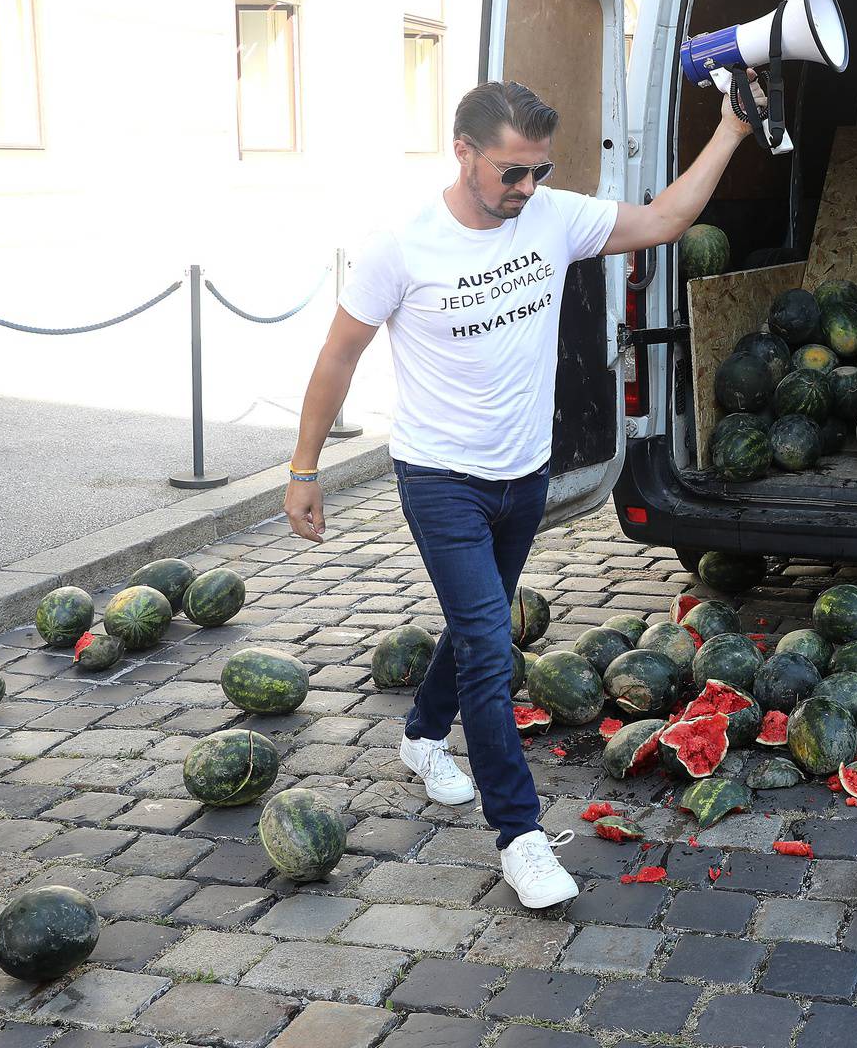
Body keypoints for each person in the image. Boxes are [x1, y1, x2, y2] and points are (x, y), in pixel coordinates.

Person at [282, 78, 762, 909]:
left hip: (524, 473)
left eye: (539, 171)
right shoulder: (402, 248)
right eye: (512, 171)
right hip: (440, 479)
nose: (527, 188)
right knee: (486, 646)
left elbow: (663, 221)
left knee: (481, 621)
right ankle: (523, 838)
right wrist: (303, 467)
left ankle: (424, 736)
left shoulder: (550, 216)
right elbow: (338, 357)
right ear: (462, 152)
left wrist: (729, 130)